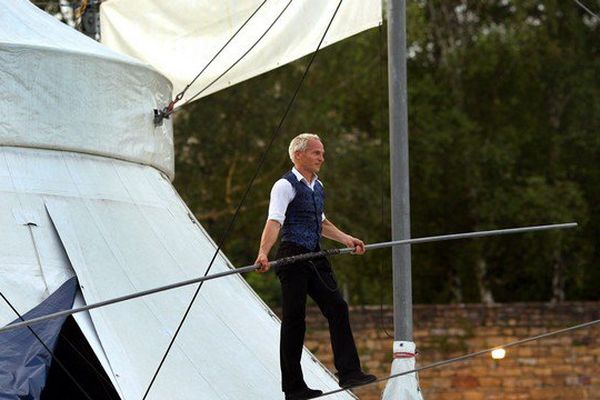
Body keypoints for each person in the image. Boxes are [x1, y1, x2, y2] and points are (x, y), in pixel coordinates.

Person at [255, 133, 376, 400]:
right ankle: (294, 388)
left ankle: (349, 372)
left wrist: (346, 238)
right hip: (292, 257)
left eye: (321, 153)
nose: (322, 157)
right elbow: (274, 221)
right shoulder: (284, 186)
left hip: (314, 255)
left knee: (337, 306)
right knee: (295, 319)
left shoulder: (317, 187)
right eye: (316, 153)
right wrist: (263, 253)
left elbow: (321, 223)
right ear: (298, 155)